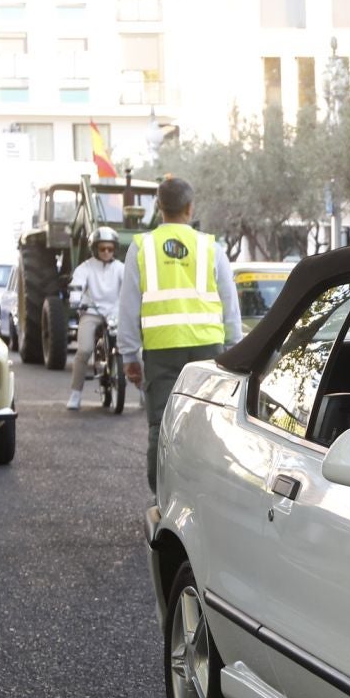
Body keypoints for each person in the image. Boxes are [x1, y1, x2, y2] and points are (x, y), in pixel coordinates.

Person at [117, 176, 241, 491]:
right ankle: (206, 493)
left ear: (158, 208)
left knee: (161, 424)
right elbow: (230, 305)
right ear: (190, 207)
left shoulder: (141, 247)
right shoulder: (211, 248)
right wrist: (236, 349)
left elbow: (129, 306)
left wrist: (129, 355)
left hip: (161, 352)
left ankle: (161, 495)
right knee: (209, 424)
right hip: (209, 353)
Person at [64, 226, 125, 411]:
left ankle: (142, 394)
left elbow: (131, 287)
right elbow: (76, 285)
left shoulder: (121, 268)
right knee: (84, 350)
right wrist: (76, 301)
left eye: (110, 249)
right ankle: (75, 393)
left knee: (134, 350)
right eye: (102, 249)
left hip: (115, 314)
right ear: (95, 249)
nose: (106, 252)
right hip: (91, 312)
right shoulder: (86, 267)